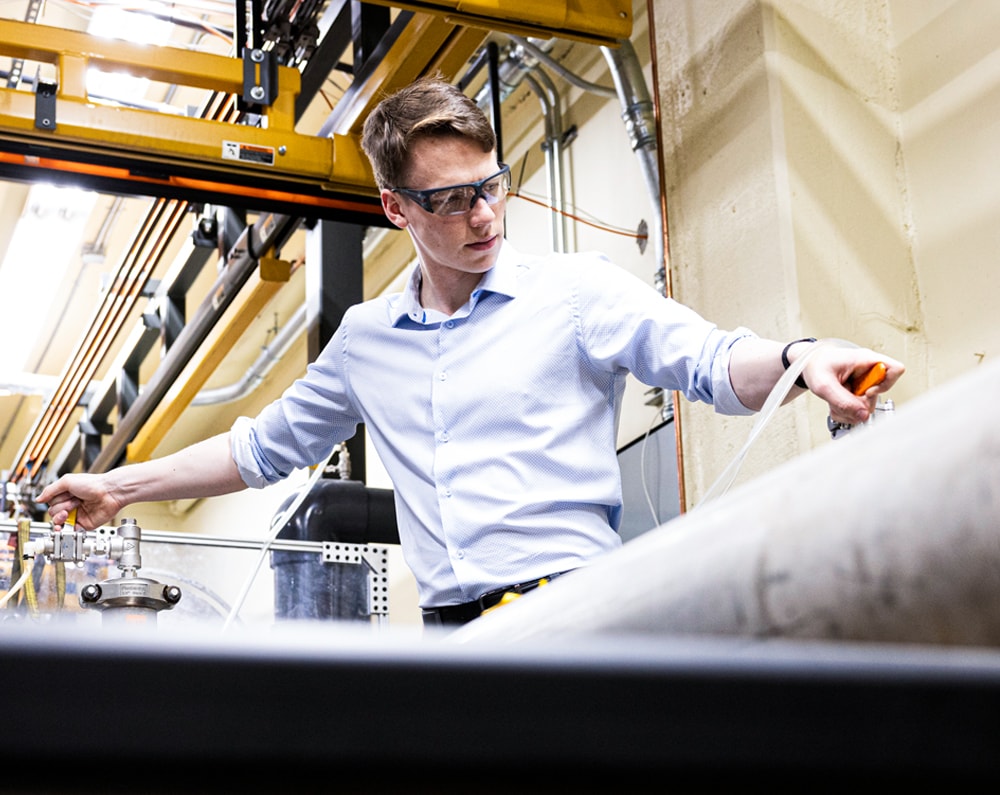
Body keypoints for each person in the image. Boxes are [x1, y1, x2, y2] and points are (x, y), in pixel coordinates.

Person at [39, 76, 904, 626]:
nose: (483, 216)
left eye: (490, 187)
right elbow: (260, 448)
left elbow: (712, 362)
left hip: (580, 609)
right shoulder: (367, 340)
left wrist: (802, 354)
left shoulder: (576, 292)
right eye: (450, 200)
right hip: (454, 630)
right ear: (395, 209)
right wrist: (117, 485)